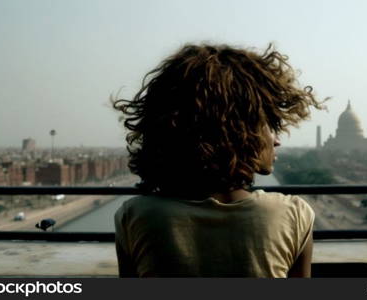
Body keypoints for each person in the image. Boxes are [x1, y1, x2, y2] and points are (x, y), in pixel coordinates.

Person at [113, 43, 325, 277]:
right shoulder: (293, 215)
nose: (276, 141)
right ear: (243, 131)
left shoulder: (135, 217)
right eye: (270, 125)